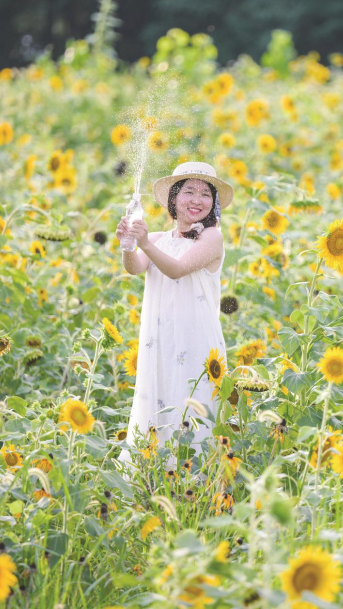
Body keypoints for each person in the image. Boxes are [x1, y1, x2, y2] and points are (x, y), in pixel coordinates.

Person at [115, 161, 234, 466]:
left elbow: (177, 270)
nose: (197, 200)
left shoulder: (212, 239)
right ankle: (154, 482)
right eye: (189, 191)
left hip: (196, 344)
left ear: (214, 204)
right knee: (158, 401)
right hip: (160, 341)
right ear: (173, 199)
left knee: (194, 411)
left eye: (206, 193)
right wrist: (128, 244)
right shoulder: (157, 240)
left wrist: (143, 242)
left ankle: (195, 489)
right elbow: (134, 268)